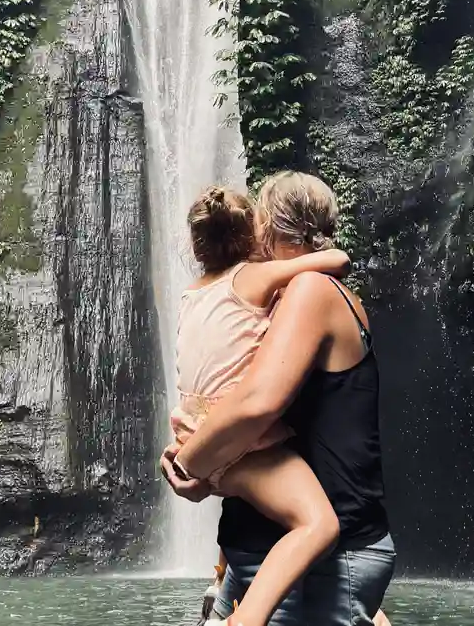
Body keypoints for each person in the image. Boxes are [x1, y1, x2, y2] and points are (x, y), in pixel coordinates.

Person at [163, 171, 395, 626]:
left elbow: (255, 404)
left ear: (268, 226)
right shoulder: (282, 299)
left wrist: (191, 464)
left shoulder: (311, 289)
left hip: (316, 558)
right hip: (271, 552)